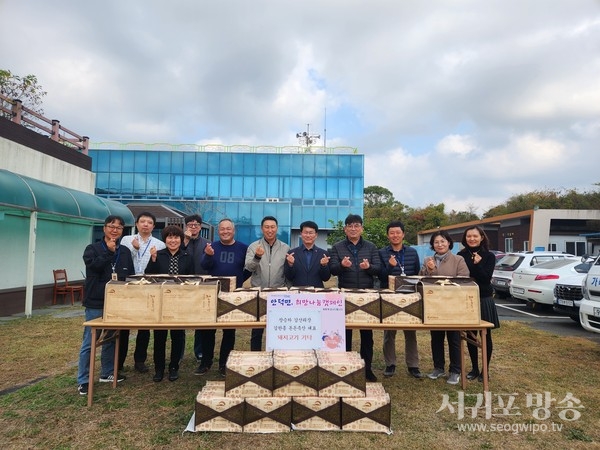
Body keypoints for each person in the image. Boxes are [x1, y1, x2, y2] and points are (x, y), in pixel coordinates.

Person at [76, 215, 134, 396]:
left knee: (111, 338)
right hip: (96, 302)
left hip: (117, 302)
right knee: (90, 341)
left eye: (119, 227)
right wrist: (108, 252)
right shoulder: (92, 249)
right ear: (104, 228)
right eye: (111, 226)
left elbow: (129, 275)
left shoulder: (125, 251)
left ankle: (107, 372)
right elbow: (94, 267)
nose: (114, 230)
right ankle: (83, 380)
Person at [195, 219, 250, 377]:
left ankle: (224, 363)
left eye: (228, 229)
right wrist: (209, 256)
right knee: (208, 330)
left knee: (229, 331)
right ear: (218, 231)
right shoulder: (211, 247)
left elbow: (248, 269)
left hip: (233, 295)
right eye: (222, 229)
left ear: (233, 230)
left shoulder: (243, 248)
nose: (225, 231)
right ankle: (206, 362)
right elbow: (204, 266)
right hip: (213, 293)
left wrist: (238, 281)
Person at [329, 214, 380, 382]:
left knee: (367, 335)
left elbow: (378, 268)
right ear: (345, 229)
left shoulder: (371, 247)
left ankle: (367, 369)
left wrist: (369, 267)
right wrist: (342, 266)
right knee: (345, 333)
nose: (353, 228)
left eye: (356, 225)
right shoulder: (337, 247)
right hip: (345, 294)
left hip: (366, 295)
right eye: (350, 226)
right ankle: (345, 367)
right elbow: (333, 269)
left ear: (361, 228)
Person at [145, 225, 194, 382]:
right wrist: (152, 260)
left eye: (176, 237)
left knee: (177, 336)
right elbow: (148, 276)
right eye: (169, 237)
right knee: (159, 336)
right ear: (165, 239)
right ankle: (159, 368)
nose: (173, 240)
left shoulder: (187, 256)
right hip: (161, 301)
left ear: (181, 239)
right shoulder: (158, 254)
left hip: (180, 301)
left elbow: (191, 279)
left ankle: (174, 367)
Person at [420, 230, 469, 385]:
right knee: (436, 337)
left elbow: (463, 279)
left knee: (454, 338)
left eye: (442, 241)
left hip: (453, 305)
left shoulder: (458, 259)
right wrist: (429, 269)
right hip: (434, 305)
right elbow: (421, 279)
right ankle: (438, 367)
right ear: (432, 245)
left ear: (449, 243)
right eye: (436, 242)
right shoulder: (428, 259)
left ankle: (455, 371)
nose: (439, 244)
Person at [119, 212, 165, 373]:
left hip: (147, 288)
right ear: (137, 224)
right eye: (142, 221)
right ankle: (119, 362)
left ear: (153, 226)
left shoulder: (159, 244)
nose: (146, 224)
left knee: (144, 327)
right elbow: (122, 261)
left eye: (149, 222)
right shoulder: (126, 240)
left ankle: (140, 360)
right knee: (123, 326)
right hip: (128, 287)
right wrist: (134, 248)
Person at [378, 220, 424, 379]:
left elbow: (417, 272)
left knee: (410, 331)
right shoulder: (382, 252)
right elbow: (380, 276)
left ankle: (413, 365)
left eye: (398, 232)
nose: (395, 235)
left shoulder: (412, 252)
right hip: (390, 295)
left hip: (409, 296)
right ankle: (390, 364)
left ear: (403, 234)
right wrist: (390, 267)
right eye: (392, 233)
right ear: (388, 235)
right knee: (389, 331)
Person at [457, 225, 500, 382]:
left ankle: (485, 370)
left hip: (483, 298)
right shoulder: (460, 255)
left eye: (475, 236)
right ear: (465, 238)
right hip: (467, 298)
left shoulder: (488, 256)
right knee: (470, 334)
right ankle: (474, 368)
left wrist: (478, 264)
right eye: (469, 236)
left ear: (482, 237)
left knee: (485, 335)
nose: (472, 239)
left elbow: (486, 279)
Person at [245, 216, 290, 351]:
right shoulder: (254, 246)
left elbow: (288, 271)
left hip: (279, 295)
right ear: (262, 229)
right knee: (257, 331)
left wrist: (286, 290)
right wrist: (257, 257)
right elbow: (249, 267)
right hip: (259, 293)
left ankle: (277, 357)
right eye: (267, 227)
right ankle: (256, 357)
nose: (270, 230)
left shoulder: (285, 247)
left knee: (278, 329)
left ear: (276, 228)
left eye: (272, 227)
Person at [182, 214, 210, 363]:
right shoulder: (178, 241)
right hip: (182, 285)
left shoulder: (207, 244)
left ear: (200, 227)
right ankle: (178, 353)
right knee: (179, 320)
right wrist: (185, 240)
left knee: (201, 320)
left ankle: (199, 351)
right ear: (186, 226)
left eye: (196, 224)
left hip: (201, 284)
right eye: (190, 224)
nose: (193, 227)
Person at [284, 220, 331, 288]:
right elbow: (289, 277)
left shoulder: (323, 254)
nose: (308, 235)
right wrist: (290, 265)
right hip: (298, 293)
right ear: (301, 234)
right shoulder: (292, 254)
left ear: (316, 235)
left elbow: (326, 278)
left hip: (317, 293)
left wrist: (324, 266)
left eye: (311, 233)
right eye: (305, 233)